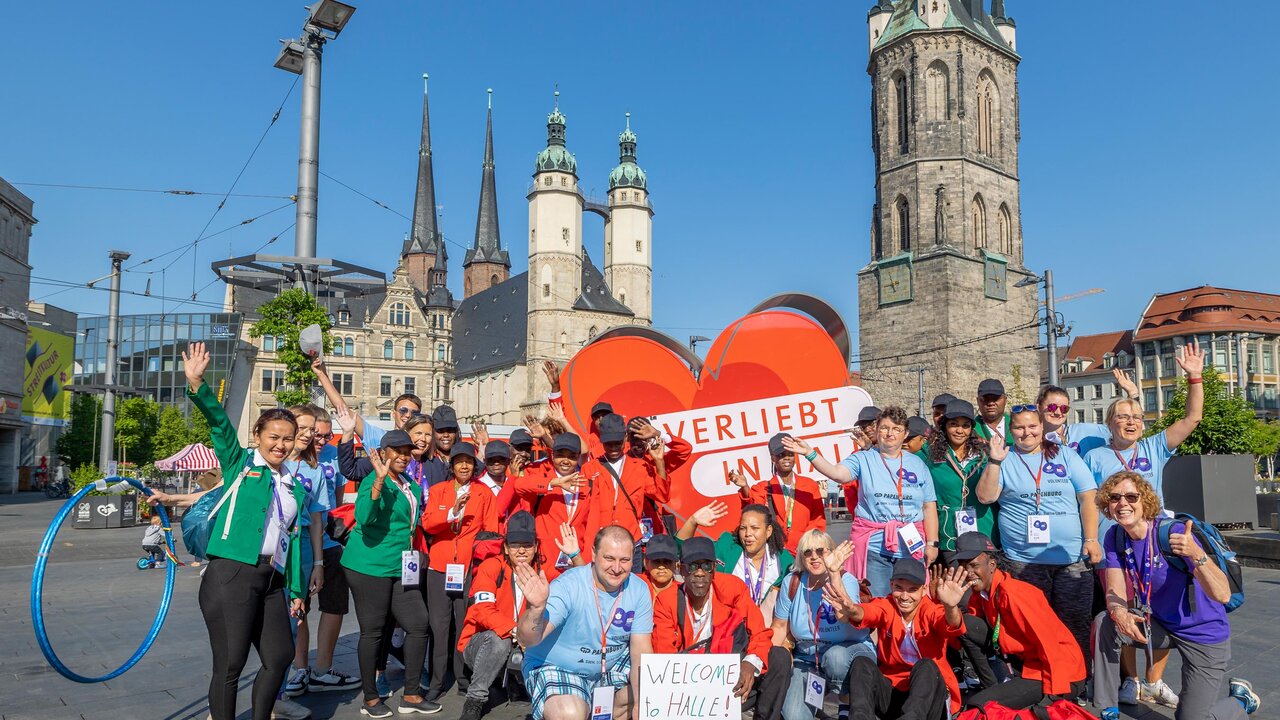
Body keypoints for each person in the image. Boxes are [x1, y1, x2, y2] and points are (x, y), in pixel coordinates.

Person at [147, 342, 308, 720]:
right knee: (231, 664)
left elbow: (293, 538)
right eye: (274, 437)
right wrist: (198, 383)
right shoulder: (241, 465)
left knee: (280, 655)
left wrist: (297, 590)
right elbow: (219, 424)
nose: (281, 444)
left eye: (287, 438)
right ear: (258, 435)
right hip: (231, 574)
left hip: (272, 579)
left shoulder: (294, 485)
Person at [1087, 341, 1206, 708]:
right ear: (1109, 423)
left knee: (1160, 609)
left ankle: (1154, 681)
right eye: (1122, 415)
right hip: (1113, 549)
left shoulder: (1154, 447)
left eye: (1136, 415)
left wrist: (1195, 377)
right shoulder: (1095, 455)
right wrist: (1090, 539)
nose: (1131, 420)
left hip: (1154, 545)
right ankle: (1131, 681)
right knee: (1120, 610)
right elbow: (1088, 503)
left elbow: (1192, 419)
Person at [1092, 471, 1262, 720]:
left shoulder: (1174, 533)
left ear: (1145, 501)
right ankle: (1109, 708)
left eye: (1131, 496)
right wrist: (1119, 612)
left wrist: (1195, 553)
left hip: (1203, 634)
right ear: (1107, 504)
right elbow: (1115, 587)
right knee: (1105, 621)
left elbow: (1223, 594)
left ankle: (1240, 701)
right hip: (1161, 624)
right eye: (1115, 498)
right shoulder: (1115, 537)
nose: (1122, 503)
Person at [976, 404, 1100, 657]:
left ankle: (1077, 682)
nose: (1027, 432)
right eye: (1019, 427)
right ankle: (1038, 682)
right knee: (1030, 625)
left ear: (1042, 427)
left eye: (1032, 426)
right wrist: (995, 461)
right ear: (1011, 431)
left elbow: (1088, 497)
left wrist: (1092, 539)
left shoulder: (1064, 455)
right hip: (1023, 560)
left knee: (1075, 624)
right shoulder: (1003, 459)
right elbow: (985, 497)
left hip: (1070, 559)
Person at [784, 407, 940, 595]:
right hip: (875, 550)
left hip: (911, 547)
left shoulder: (918, 464)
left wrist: (932, 543)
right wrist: (810, 453)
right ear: (876, 430)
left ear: (905, 433)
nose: (890, 433)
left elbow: (928, 506)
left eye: (896, 429)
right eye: (884, 428)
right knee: (877, 603)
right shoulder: (862, 459)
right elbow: (837, 474)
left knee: (911, 602)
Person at [340, 429, 438, 717]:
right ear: (383, 453)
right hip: (369, 567)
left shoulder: (409, 483)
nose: (403, 456)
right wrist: (380, 480)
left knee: (419, 624)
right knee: (373, 631)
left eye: (407, 452)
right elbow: (364, 517)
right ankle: (370, 699)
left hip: (399, 566)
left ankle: (411, 695)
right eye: (397, 451)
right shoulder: (374, 479)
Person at [515, 525, 654, 720]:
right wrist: (535, 609)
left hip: (607, 668)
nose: (616, 568)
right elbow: (528, 639)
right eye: (609, 558)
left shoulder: (639, 589)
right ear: (594, 554)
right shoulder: (568, 586)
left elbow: (641, 650)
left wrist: (643, 702)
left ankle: (594, 710)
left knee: (654, 686)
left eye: (625, 560)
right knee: (570, 712)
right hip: (560, 666)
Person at [652, 537, 793, 720]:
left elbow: (759, 632)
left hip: (731, 679)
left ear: (715, 569)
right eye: (693, 566)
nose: (700, 573)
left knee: (779, 657)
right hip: (688, 688)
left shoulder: (732, 588)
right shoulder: (667, 600)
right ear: (681, 569)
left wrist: (750, 663)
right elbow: (664, 654)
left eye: (707, 566)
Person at [951, 532, 1087, 709]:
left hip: (1059, 674)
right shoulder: (981, 593)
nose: (968, 573)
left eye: (974, 565)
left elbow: (1050, 644)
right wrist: (949, 605)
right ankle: (992, 687)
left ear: (992, 564)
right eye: (963, 566)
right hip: (1025, 662)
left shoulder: (1015, 594)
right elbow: (965, 631)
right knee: (966, 624)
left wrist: (1054, 698)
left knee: (979, 706)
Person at [823, 559, 969, 720]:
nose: (905, 597)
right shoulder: (887, 605)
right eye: (899, 588)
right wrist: (851, 609)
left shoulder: (930, 609)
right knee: (861, 662)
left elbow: (952, 624)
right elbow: (866, 613)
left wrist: (951, 607)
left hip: (928, 697)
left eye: (912, 590)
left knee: (926, 665)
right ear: (891, 585)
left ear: (923, 590)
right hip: (894, 693)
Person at [421, 442, 500, 701]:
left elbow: (490, 534)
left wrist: (481, 567)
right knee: (439, 626)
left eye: (468, 461)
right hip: (439, 567)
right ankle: (436, 679)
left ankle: (463, 676)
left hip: (468, 570)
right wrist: (453, 512)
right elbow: (429, 524)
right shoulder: (438, 491)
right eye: (459, 461)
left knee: (464, 623)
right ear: (452, 465)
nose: (464, 465)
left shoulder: (484, 493)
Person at [770, 530, 875, 720]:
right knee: (794, 716)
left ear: (832, 552)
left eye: (821, 551)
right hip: (808, 658)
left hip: (850, 651)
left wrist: (834, 573)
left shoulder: (846, 579)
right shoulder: (792, 582)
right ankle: (816, 707)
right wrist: (769, 662)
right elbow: (779, 627)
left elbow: (845, 616)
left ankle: (845, 703)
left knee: (835, 658)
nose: (814, 556)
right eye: (807, 552)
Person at [456, 510, 540, 720]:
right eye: (514, 544)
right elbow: (483, 611)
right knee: (498, 640)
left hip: (523, 644)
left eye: (527, 545)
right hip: (482, 643)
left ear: (536, 546)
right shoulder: (491, 566)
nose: (521, 550)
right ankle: (474, 701)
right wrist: (516, 631)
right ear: (505, 547)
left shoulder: (542, 572)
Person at [277, 405, 333, 716]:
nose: (308, 433)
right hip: (268, 561)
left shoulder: (315, 471)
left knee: (294, 622)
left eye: (312, 428)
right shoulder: (268, 462)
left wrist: (318, 564)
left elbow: (316, 522)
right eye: (303, 426)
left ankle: (280, 695)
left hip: (300, 562)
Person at [301, 411, 361, 694]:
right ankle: (299, 669)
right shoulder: (292, 457)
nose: (323, 440)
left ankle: (322, 668)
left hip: (328, 542)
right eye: (318, 434)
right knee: (298, 607)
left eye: (327, 435)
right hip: (298, 544)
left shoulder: (335, 455)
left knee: (335, 605)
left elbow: (335, 504)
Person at [581, 414, 690, 558]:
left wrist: (658, 446)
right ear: (628, 439)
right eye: (635, 438)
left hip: (639, 536)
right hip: (605, 540)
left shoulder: (645, 464)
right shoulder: (592, 467)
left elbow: (663, 494)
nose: (638, 443)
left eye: (643, 438)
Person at [679, 501, 796, 623]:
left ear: (768, 531)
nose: (747, 534)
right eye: (743, 528)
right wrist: (692, 522)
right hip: (728, 628)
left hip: (767, 630)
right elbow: (684, 551)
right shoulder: (727, 547)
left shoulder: (784, 560)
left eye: (754, 528)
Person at [509, 433, 593, 581]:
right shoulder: (543, 478)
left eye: (572, 456)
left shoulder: (588, 485)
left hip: (576, 563)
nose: (565, 461)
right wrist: (554, 483)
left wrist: (582, 560)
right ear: (552, 455)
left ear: (578, 457)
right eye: (561, 455)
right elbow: (518, 486)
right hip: (545, 564)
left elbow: (590, 528)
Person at [919, 399, 994, 557]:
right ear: (945, 426)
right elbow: (899, 459)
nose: (960, 430)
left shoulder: (986, 454)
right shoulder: (929, 454)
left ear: (972, 428)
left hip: (983, 531)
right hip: (948, 535)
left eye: (965, 425)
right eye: (954, 424)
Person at [729, 433, 826, 554]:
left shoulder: (809, 486)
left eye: (790, 454)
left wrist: (807, 545)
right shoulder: (762, 488)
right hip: (775, 551)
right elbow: (752, 511)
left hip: (804, 551)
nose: (787, 458)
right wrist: (744, 487)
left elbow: (818, 520)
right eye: (781, 455)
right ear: (773, 458)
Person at [313, 355, 421, 452]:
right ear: (394, 413)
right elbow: (343, 409)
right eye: (403, 410)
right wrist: (321, 375)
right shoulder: (378, 436)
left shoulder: (422, 443)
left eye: (414, 412)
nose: (408, 415)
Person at [973, 378, 1011, 446]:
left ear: (1005, 400)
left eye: (996, 398)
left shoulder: (1017, 426)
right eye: (985, 399)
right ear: (978, 401)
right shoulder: (971, 430)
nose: (990, 403)